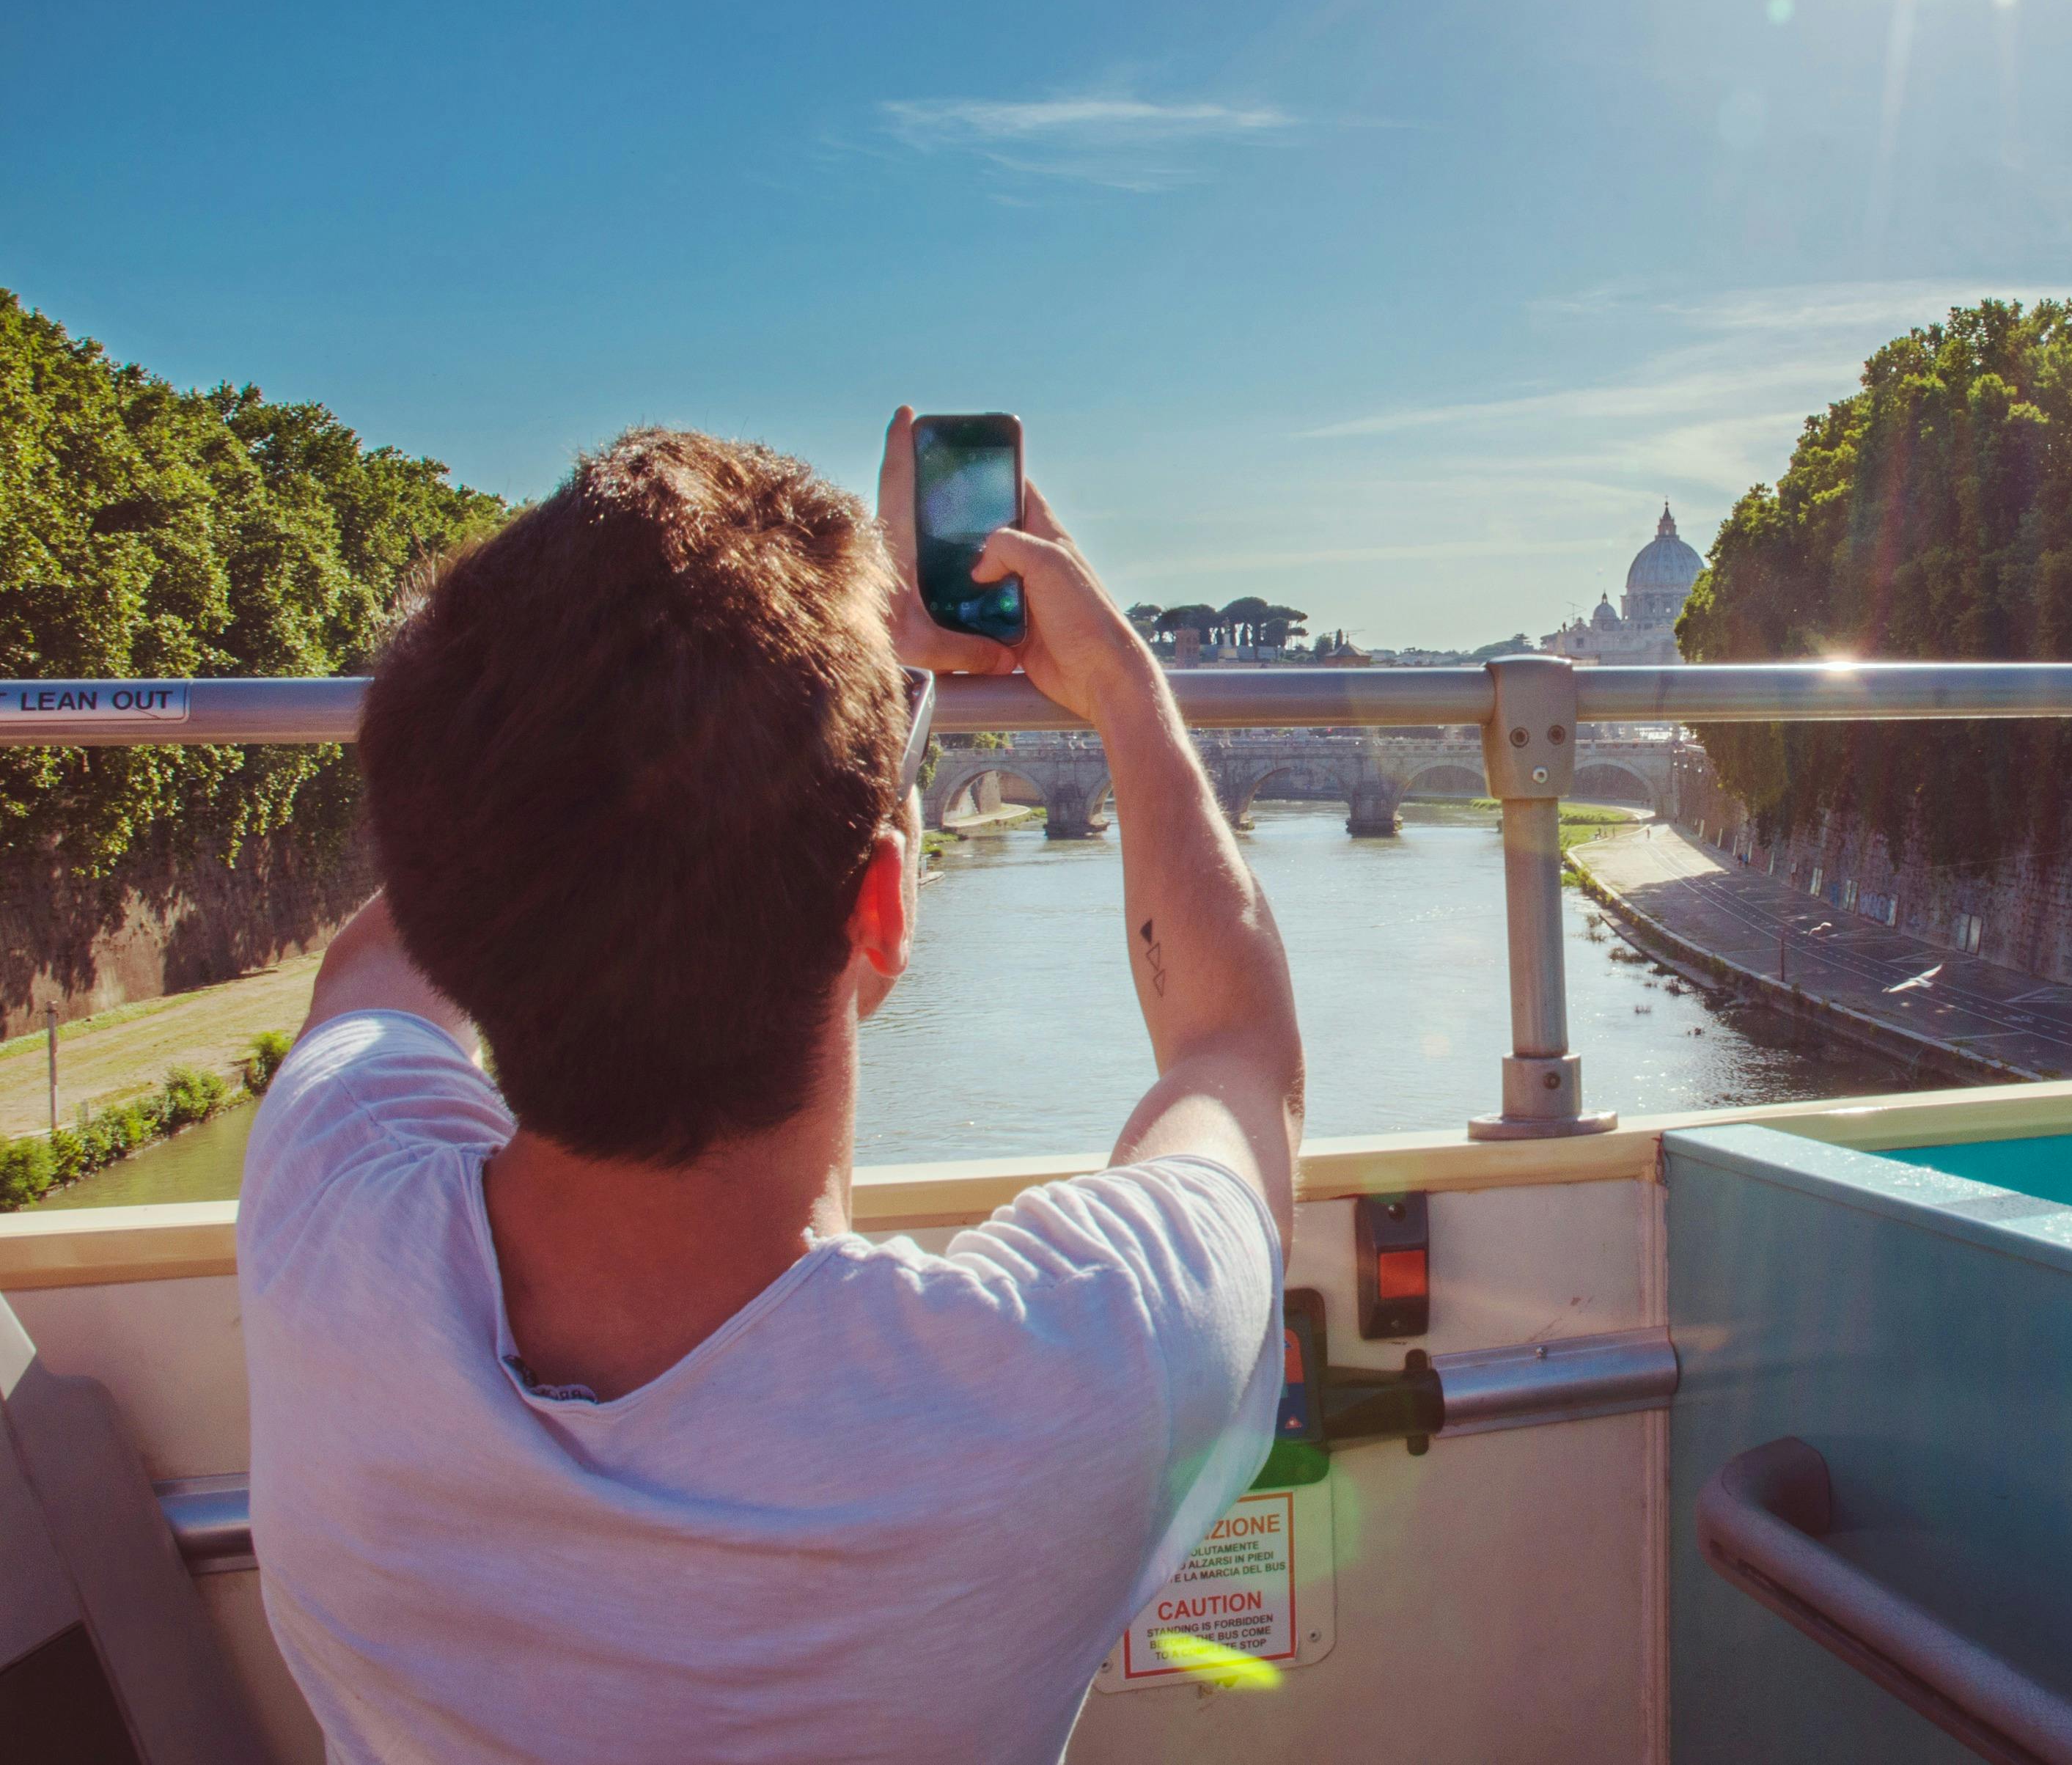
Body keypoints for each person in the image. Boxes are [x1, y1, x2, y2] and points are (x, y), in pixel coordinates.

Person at [236, 411, 1304, 1764]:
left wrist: (607, 680)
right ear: (885, 907)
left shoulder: (326, 1221)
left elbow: (383, 961)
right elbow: (1237, 1049)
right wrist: (1122, 687)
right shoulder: (1062, 1382)